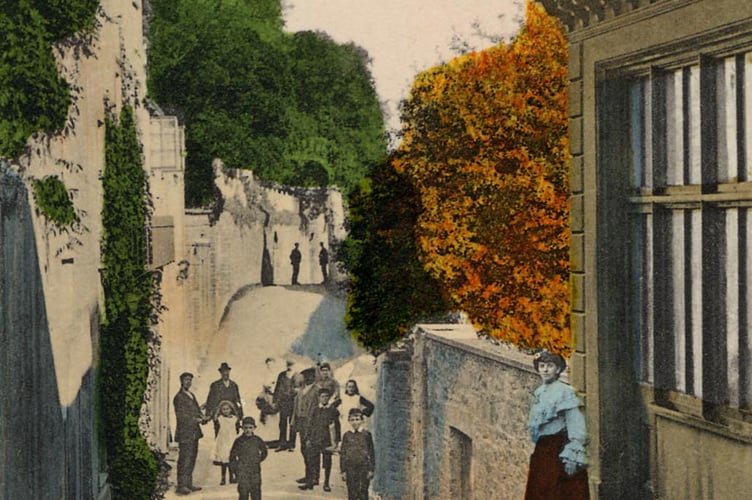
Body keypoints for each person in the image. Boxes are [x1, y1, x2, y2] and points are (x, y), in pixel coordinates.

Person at [525, 350, 589, 500]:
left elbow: (576, 424)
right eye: (542, 366)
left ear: (558, 369)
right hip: (542, 449)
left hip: (558, 449)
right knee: (540, 490)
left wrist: (573, 455)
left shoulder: (565, 392)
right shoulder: (539, 392)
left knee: (559, 492)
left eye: (550, 366)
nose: (545, 370)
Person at [299, 388, 340, 492]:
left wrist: (337, 441)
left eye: (326, 396)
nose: (324, 398)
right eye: (322, 396)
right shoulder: (315, 410)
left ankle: (326, 483)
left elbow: (337, 426)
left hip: (327, 440)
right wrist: (308, 438)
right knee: (312, 461)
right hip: (315, 439)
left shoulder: (333, 411)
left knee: (327, 462)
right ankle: (311, 481)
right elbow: (310, 425)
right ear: (319, 398)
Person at [173, 372, 207, 495]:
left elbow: (197, 410)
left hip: (194, 433)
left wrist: (203, 417)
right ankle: (181, 485)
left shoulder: (191, 395)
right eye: (186, 379)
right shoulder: (179, 397)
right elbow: (182, 416)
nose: (188, 382)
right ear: (181, 381)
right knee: (184, 458)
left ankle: (188, 483)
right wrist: (196, 420)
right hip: (184, 433)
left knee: (192, 457)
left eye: (190, 380)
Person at [229, 416, 269, 500]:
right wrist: (234, 469)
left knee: (256, 491)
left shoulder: (257, 440)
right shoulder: (239, 441)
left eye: (250, 427)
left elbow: (264, 451)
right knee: (243, 492)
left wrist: (258, 459)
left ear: (254, 428)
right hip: (242, 470)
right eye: (245, 428)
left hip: (255, 470)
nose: (248, 430)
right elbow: (232, 456)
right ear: (242, 428)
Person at [340, 408, 375, 500]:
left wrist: (371, 469)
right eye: (352, 420)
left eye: (357, 419)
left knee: (363, 491)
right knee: (352, 491)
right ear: (349, 421)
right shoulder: (346, 436)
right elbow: (343, 453)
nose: (355, 422)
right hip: (350, 467)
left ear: (362, 420)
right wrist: (343, 470)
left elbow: (371, 452)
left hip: (363, 467)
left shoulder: (366, 435)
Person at [205, 362, 243, 436]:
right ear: (220, 372)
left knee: (233, 435)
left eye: (227, 371)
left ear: (229, 372)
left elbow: (238, 400)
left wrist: (240, 414)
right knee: (220, 435)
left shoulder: (234, 385)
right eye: (223, 371)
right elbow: (210, 401)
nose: (225, 373)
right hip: (219, 415)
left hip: (232, 415)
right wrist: (209, 414)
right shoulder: (215, 385)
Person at [213, 400, 240, 485]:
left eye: (227, 409)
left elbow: (237, 429)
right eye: (223, 409)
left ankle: (232, 476)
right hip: (223, 441)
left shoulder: (234, 419)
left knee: (231, 459)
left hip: (232, 440)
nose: (226, 411)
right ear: (220, 410)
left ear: (231, 409)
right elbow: (217, 430)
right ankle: (223, 478)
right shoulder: (219, 419)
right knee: (224, 460)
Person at [273, 359, 297, 451]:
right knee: (282, 423)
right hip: (283, 403)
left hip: (293, 403)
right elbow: (277, 388)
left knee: (292, 424)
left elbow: (300, 389)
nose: (289, 366)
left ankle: (291, 444)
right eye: (288, 364)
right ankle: (282, 443)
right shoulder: (282, 375)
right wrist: (275, 401)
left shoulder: (297, 376)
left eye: (291, 365)